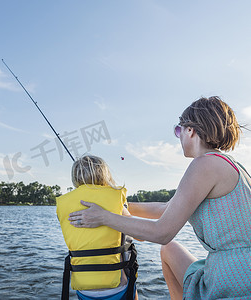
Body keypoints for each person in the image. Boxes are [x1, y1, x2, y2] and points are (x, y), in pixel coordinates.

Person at [68, 97, 251, 299]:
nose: (179, 137)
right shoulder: (227, 163)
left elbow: (162, 233)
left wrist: (103, 217)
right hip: (237, 267)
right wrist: (116, 203)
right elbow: (166, 208)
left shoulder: (204, 165)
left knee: (166, 244)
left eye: (178, 131)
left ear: (190, 130)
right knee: (169, 250)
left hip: (235, 278)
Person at [57, 155, 138, 300]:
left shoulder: (64, 204)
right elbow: (137, 233)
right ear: (104, 174)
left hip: (84, 288)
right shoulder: (115, 199)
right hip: (116, 285)